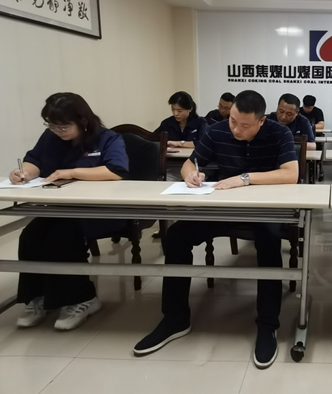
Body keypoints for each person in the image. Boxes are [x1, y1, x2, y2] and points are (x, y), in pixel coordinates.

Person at [134, 90, 298, 369]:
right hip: (223, 206)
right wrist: (190, 175)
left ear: (261, 121)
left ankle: (267, 324)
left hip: (263, 209)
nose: (236, 129)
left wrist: (244, 179)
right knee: (176, 237)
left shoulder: (279, 132)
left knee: (270, 242)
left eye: (244, 125)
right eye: (233, 120)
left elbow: (290, 174)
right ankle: (175, 318)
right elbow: (190, 163)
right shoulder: (216, 130)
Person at [9, 93, 129, 331]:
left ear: (82, 121)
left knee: (61, 237)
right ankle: (39, 296)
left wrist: (72, 172)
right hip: (60, 207)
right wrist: (24, 173)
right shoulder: (50, 137)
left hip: (98, 210)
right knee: (31, 236)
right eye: (51, 126)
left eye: (63, 127)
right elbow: (34, 160)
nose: (57, 131)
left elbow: (116, 170)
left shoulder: (107, 138)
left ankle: (82, 299)